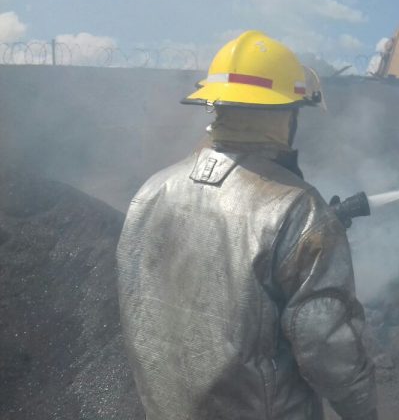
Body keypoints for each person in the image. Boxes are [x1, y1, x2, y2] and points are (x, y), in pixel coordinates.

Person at [116, 30, 377, 420]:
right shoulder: (299, 209)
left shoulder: (152, 190)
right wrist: (364, 411)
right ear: (285, 114)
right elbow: (324, 345)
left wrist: (300, 241)